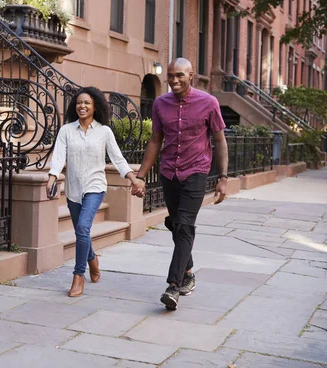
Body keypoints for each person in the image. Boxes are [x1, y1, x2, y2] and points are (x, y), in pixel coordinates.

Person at [133, 58, 228, 311]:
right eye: (171, 76)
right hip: (169, 173)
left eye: (180, 76)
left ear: (191, 76)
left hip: (196, 171)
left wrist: (223, 177)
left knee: (184, 226)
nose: (174, 80)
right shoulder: (160, 104)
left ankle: (173, 286)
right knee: (176, 223)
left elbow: (219, 140)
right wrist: (141, 175)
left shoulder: (209, 103)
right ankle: (188, 272)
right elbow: (155, 140)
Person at [47, 86, 145, 297]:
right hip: (73, 189)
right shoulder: (66, 130)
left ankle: (78, 276)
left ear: (95, 107)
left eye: (87, 103)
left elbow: (117, 158)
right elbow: (58, 156)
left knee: (82, 227)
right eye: (79, 103)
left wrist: (133, 179)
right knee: (81, 232)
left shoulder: (104, 132)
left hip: (95, 187)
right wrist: (52, 177)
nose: (82, 106)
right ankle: (92, 259)